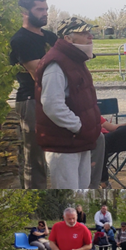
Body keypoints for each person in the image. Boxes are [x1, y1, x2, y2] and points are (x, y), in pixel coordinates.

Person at [33, 16, 101, 190]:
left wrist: (84, 130)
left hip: (78, 140)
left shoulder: (74, 60)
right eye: (84, 33)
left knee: (82, 188)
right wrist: (80, 126)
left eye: (89, 32)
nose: (90, 36)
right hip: (63, 142)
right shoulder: (56, 64)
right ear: (68, 38)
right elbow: (52, 105)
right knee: (68, 190)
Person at [10, 0, 56, 189]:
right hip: (31, 100)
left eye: (46, 9)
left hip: (57, 99)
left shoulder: (51, 37)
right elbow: (39, 74)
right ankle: (34, 196)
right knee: (35, 158)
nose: (45, 13)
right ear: (24, 11)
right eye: (40, 9)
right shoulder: (20, 40)